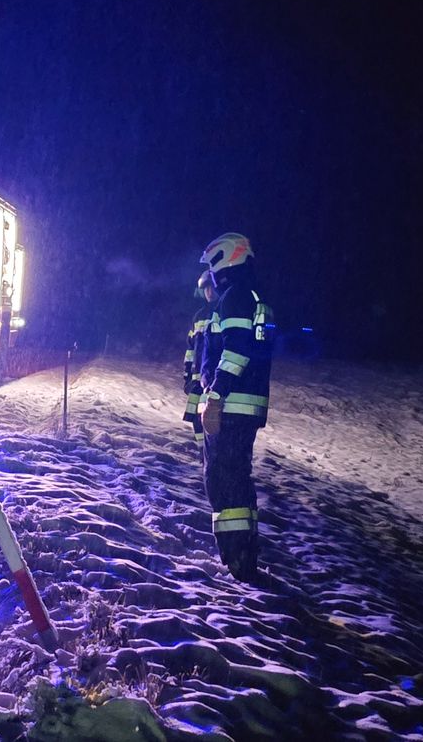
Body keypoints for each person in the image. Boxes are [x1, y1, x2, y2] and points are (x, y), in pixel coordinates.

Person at [198, 232, 274, 582]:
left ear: (225, 260)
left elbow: (235, 351)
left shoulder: (235, 297)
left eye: (212, 266)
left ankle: (237, 560)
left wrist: (216, 394)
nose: (211, 275)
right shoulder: (253, 295)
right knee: (238, 479)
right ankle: (245, 553)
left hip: (232, 404)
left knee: (223, 480)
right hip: (248, 405)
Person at [183, 271, 219, 455]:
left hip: (211, 379)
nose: (209, 292)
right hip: (197, 379)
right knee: (196, 420)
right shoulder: (198, 316)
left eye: (212, 288)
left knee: (208, 420)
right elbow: (191, 348)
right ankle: (203, 454)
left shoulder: (222, 312)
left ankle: (209, 455)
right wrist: (187, 374)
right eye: (206, 289)